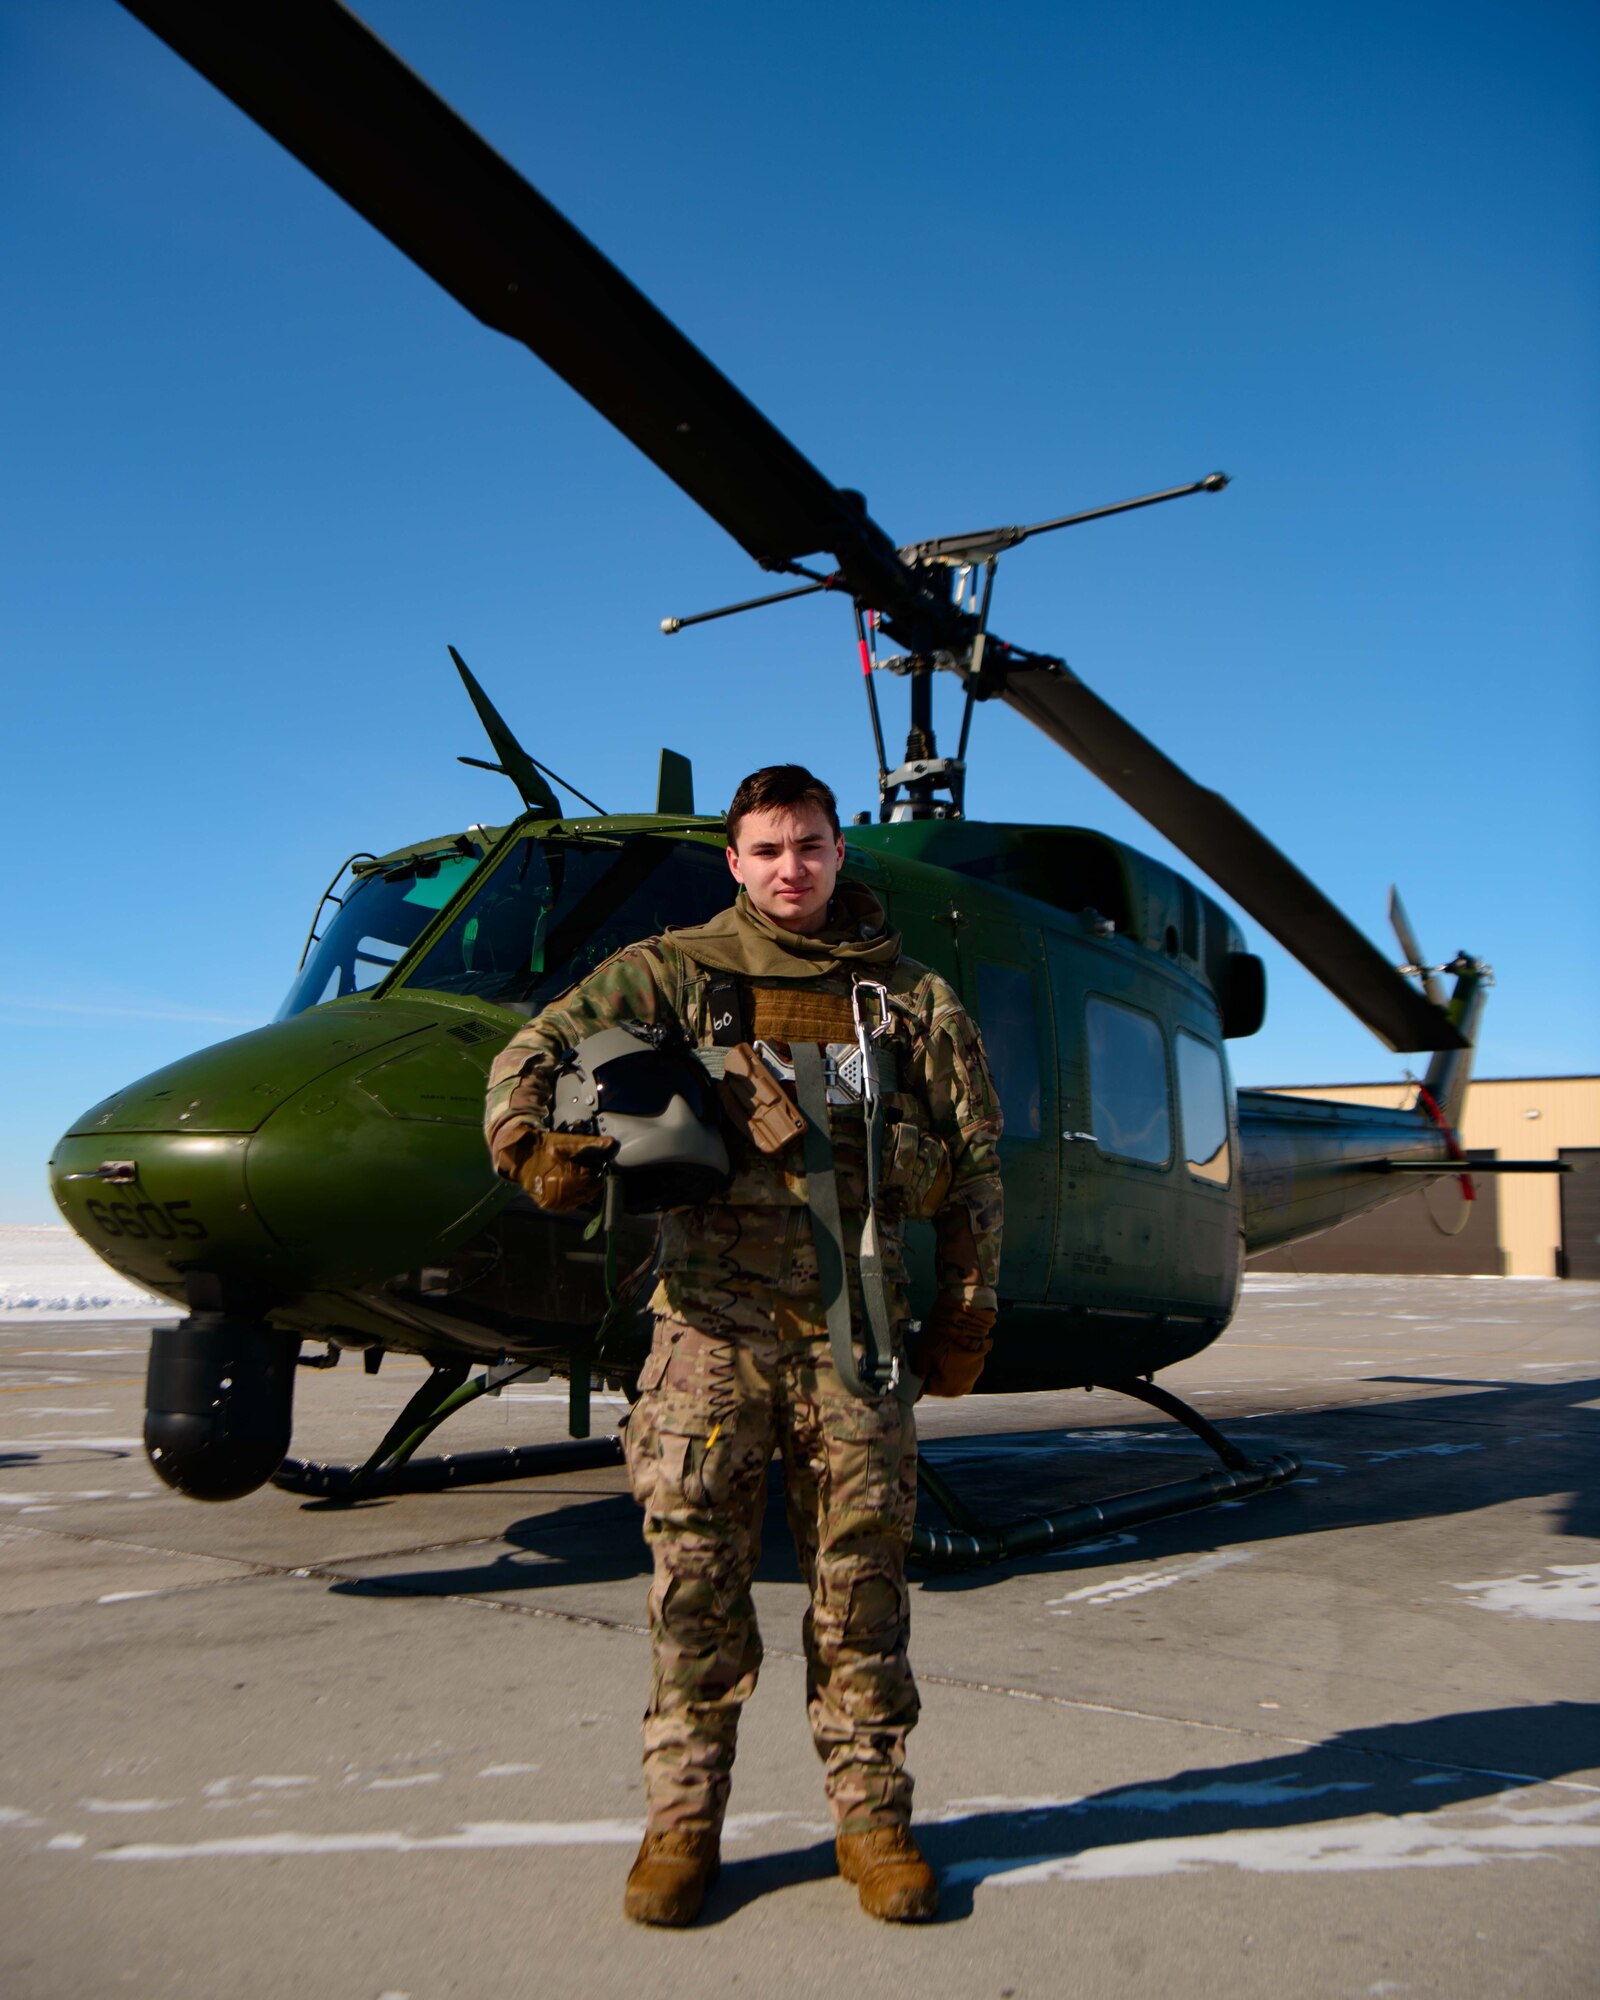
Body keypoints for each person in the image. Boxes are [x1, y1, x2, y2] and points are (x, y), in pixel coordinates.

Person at [483, 765, 1003, 1926]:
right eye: (767, 848)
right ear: (734, 859)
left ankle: (873, 1824)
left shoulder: (907, 998)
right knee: (694, 1597)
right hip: (707, 1342)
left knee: (862, 1595)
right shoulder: (673, 971)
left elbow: (972, 1164)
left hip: (853, 1338)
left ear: (837, 853)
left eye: (810, 846)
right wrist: (529, 1142)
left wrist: (969, 1308)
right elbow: (529, 1052)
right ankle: (681, 1826)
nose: (790, 868)